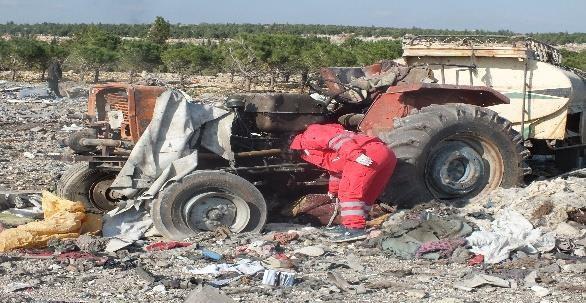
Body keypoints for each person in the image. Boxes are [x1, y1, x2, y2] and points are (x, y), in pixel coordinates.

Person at [290, 123, 397, 242]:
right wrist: (333, 190)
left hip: (367, 152)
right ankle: (351, 226)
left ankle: (355, 229)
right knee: (366, 195)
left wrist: (355, 154)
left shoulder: (309, 134)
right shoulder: (309, 151)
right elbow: (336, 169)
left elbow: (338, 140)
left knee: (349, 192)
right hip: (384, 154)